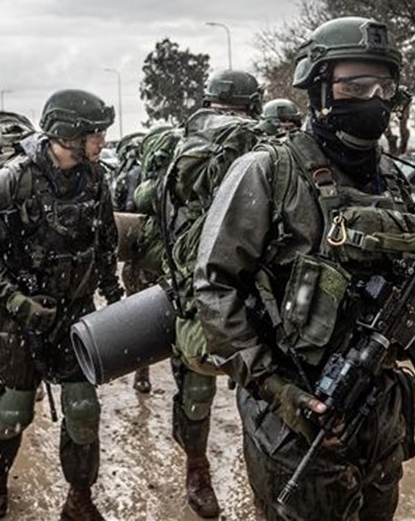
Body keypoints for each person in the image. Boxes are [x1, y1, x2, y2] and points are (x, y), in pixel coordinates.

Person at [192, 17, 415, 520]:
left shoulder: (390, 175)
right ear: (319, 88)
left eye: (383, 86)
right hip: (295, 419)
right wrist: (276, 388)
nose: (372, 98)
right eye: (354, 85)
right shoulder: (268, 170)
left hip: (381, 415)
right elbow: (214, 287)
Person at [0, 89, 123, 521]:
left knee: (82, 409)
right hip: (18, 318)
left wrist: (113, 296)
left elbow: (105, 243)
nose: (102, 143)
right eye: (97, 135)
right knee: (14, 410)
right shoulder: (13, 180)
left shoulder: (95, 178)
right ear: (70, 135)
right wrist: (19, 301)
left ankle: (78, 500)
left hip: (74, 314)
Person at [153, 68, 265, 518]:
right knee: (259, 391)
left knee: (199, 393)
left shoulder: (183, 145)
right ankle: (218, 476)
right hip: (234, 291)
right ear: (254, 105)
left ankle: (198, 472)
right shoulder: (258, 145)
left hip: (197, 292)